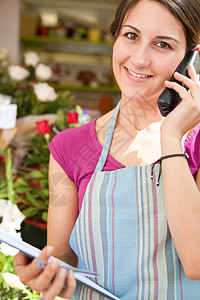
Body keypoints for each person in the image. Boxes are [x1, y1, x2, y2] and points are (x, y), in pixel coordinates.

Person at [14, 0, 200, 299]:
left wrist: (171, 136)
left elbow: (196, 262)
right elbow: (63, 258)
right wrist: (44, 276)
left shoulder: (196, 142)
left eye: (163, 44)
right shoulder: (69, 147)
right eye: (131, 35)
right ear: (114, 39)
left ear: (190, 60)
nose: (139, 59)